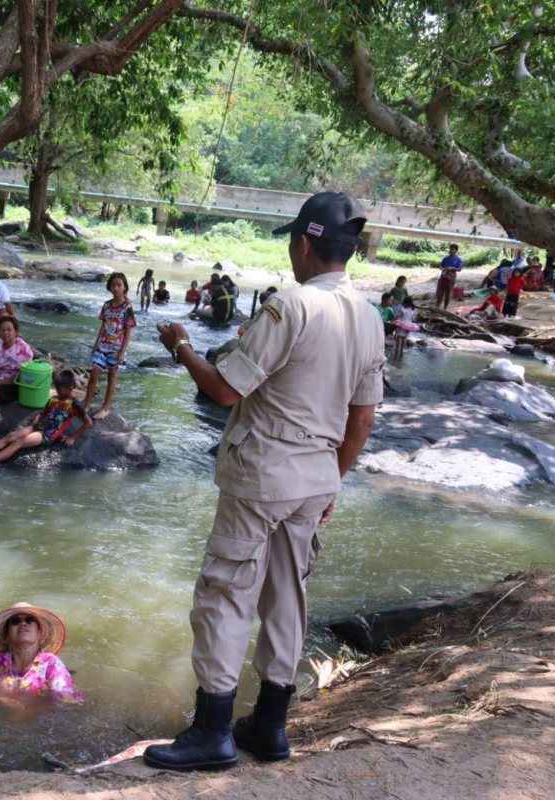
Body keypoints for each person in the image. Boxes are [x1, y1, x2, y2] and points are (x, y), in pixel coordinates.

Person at [145, 191, 384, 772]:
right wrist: (332, 480)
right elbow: (363, 418)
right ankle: (271, 726)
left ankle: (213, 732)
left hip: (262, 476)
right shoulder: (370, 315)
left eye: (291, 240)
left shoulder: (291, 305)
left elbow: (227, 390)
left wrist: (181, 349)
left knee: (226, 593)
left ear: (305, 242)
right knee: (287, 596)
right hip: (315, 479)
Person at [0, 370, 92, 466]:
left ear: (70, 388)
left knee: (19, 442)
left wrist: (72, 437)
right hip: (37, 427)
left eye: (61, 390)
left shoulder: (73, 404)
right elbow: (42, 414)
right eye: (57, 389)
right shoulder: (54, 399)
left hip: (47, 434)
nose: (59, 392)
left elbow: (88, 423)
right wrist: (33, 425)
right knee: (11, 436)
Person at [0, 603, 82, 706]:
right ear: (7, 635)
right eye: (15, 621)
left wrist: (28, 710)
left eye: (30, 620)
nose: (23, 624)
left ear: (39, 633)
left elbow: (65, 703)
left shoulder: (51, 664)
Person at [83, 272, 135, 420]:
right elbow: (103, 326)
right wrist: (95, 344)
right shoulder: (106, 305)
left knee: (112, 376)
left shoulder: (127, 307)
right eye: (113, 285)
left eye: (119, 285)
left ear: (124, 287)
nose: (116, 288)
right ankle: (86, 405)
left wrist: (122, 352)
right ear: (109, 287)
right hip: (103, 345)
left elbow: (128, 330)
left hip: (117, 347)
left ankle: (105, 408)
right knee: (94, 374)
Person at [435, 244, 462, 310]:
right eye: (450, 249)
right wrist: (443, 269)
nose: (451, 250)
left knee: (448, 295)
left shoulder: (458, 259)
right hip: (442, 278)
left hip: (450, 279)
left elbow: (459, 269)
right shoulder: (445, 258)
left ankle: (445, 308)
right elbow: (440, 266)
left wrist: (451, 268)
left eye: (453, 249)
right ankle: (437, 308)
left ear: (456, 250)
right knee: (439, 294)